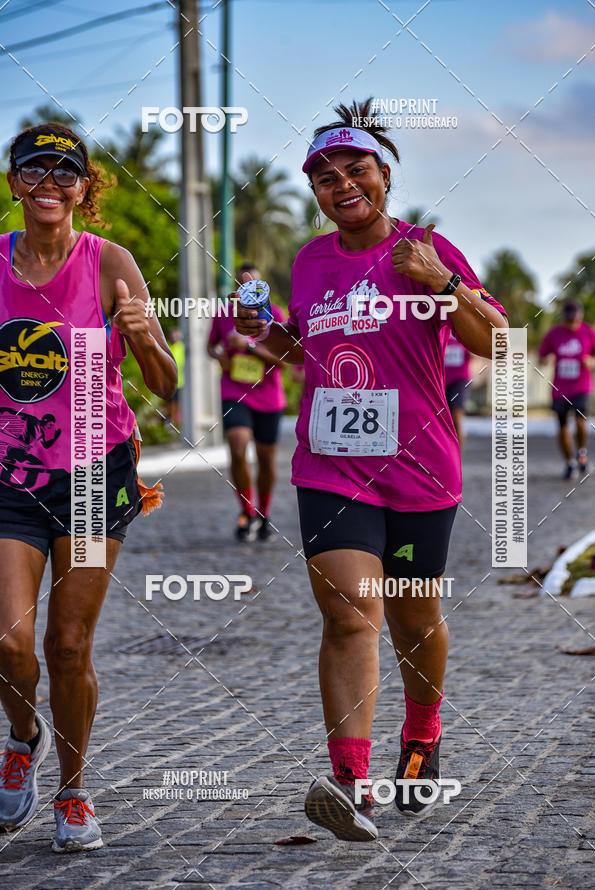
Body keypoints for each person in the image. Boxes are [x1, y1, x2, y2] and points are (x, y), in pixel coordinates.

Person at [235, 99, 507, 841]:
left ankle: (422, 729)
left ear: (383, 174)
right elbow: (305, 354)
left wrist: (442, 286)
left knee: (415, 622)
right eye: (325, 176)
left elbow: (500, 343)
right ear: (315, 193)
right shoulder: (308, 261)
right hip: (330, 469)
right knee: (352, 613)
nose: (341, 184)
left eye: (355, 169)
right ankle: (352, 783)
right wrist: (267, 335)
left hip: (421, 471)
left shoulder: (427, 248)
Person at [0, 123, 177, 851]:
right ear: (14, 183)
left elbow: (167, 384)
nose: (49, 183)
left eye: (65, 172)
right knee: (9, 640)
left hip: (93, 470)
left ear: (85, 187)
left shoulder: (111, 263)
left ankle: (73, 791)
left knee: (68, 644)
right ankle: (23, 736)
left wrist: (142, 335)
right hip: (10, 471)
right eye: (35, 170)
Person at [207, 262, 287, 541]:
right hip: (234, 390)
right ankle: (246, 512)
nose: (248, 289)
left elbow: (285, 361)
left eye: (254, 284)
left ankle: (264, 515)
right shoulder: (224, 313)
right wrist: (221, 356)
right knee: (237, 448)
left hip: (268, 395)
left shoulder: (276, 314)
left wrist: (251, 346)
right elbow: (211, 345)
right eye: (243, 285)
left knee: (265, 460)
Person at [539, 300, 595, 479]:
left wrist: (592, 361)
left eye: (575, 319)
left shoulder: (589, 332)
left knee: (581, 421)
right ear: (564, 317)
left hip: (581, 386)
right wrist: (546, 360)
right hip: (560, 389)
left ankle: (581, 452)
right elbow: (542, 356)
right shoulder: (554, 334)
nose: (572, 323)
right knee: (563, 425)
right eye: (569, 319)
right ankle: (570, 462)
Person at [444, 333, 471, 451]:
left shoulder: (462, 324)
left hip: (459, 379)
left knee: (456, 418)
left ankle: (458, 459)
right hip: (439, 379)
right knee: (442, 421)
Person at [165, 328, 185, 428]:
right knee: (169, 403)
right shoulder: (167, 346)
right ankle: (171, 422)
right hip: (169, 382)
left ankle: (176, 423)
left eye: (176, 336)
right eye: (173, 335)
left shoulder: (182, 347)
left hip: (181, 382)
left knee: (178, 404)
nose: (174, 337)